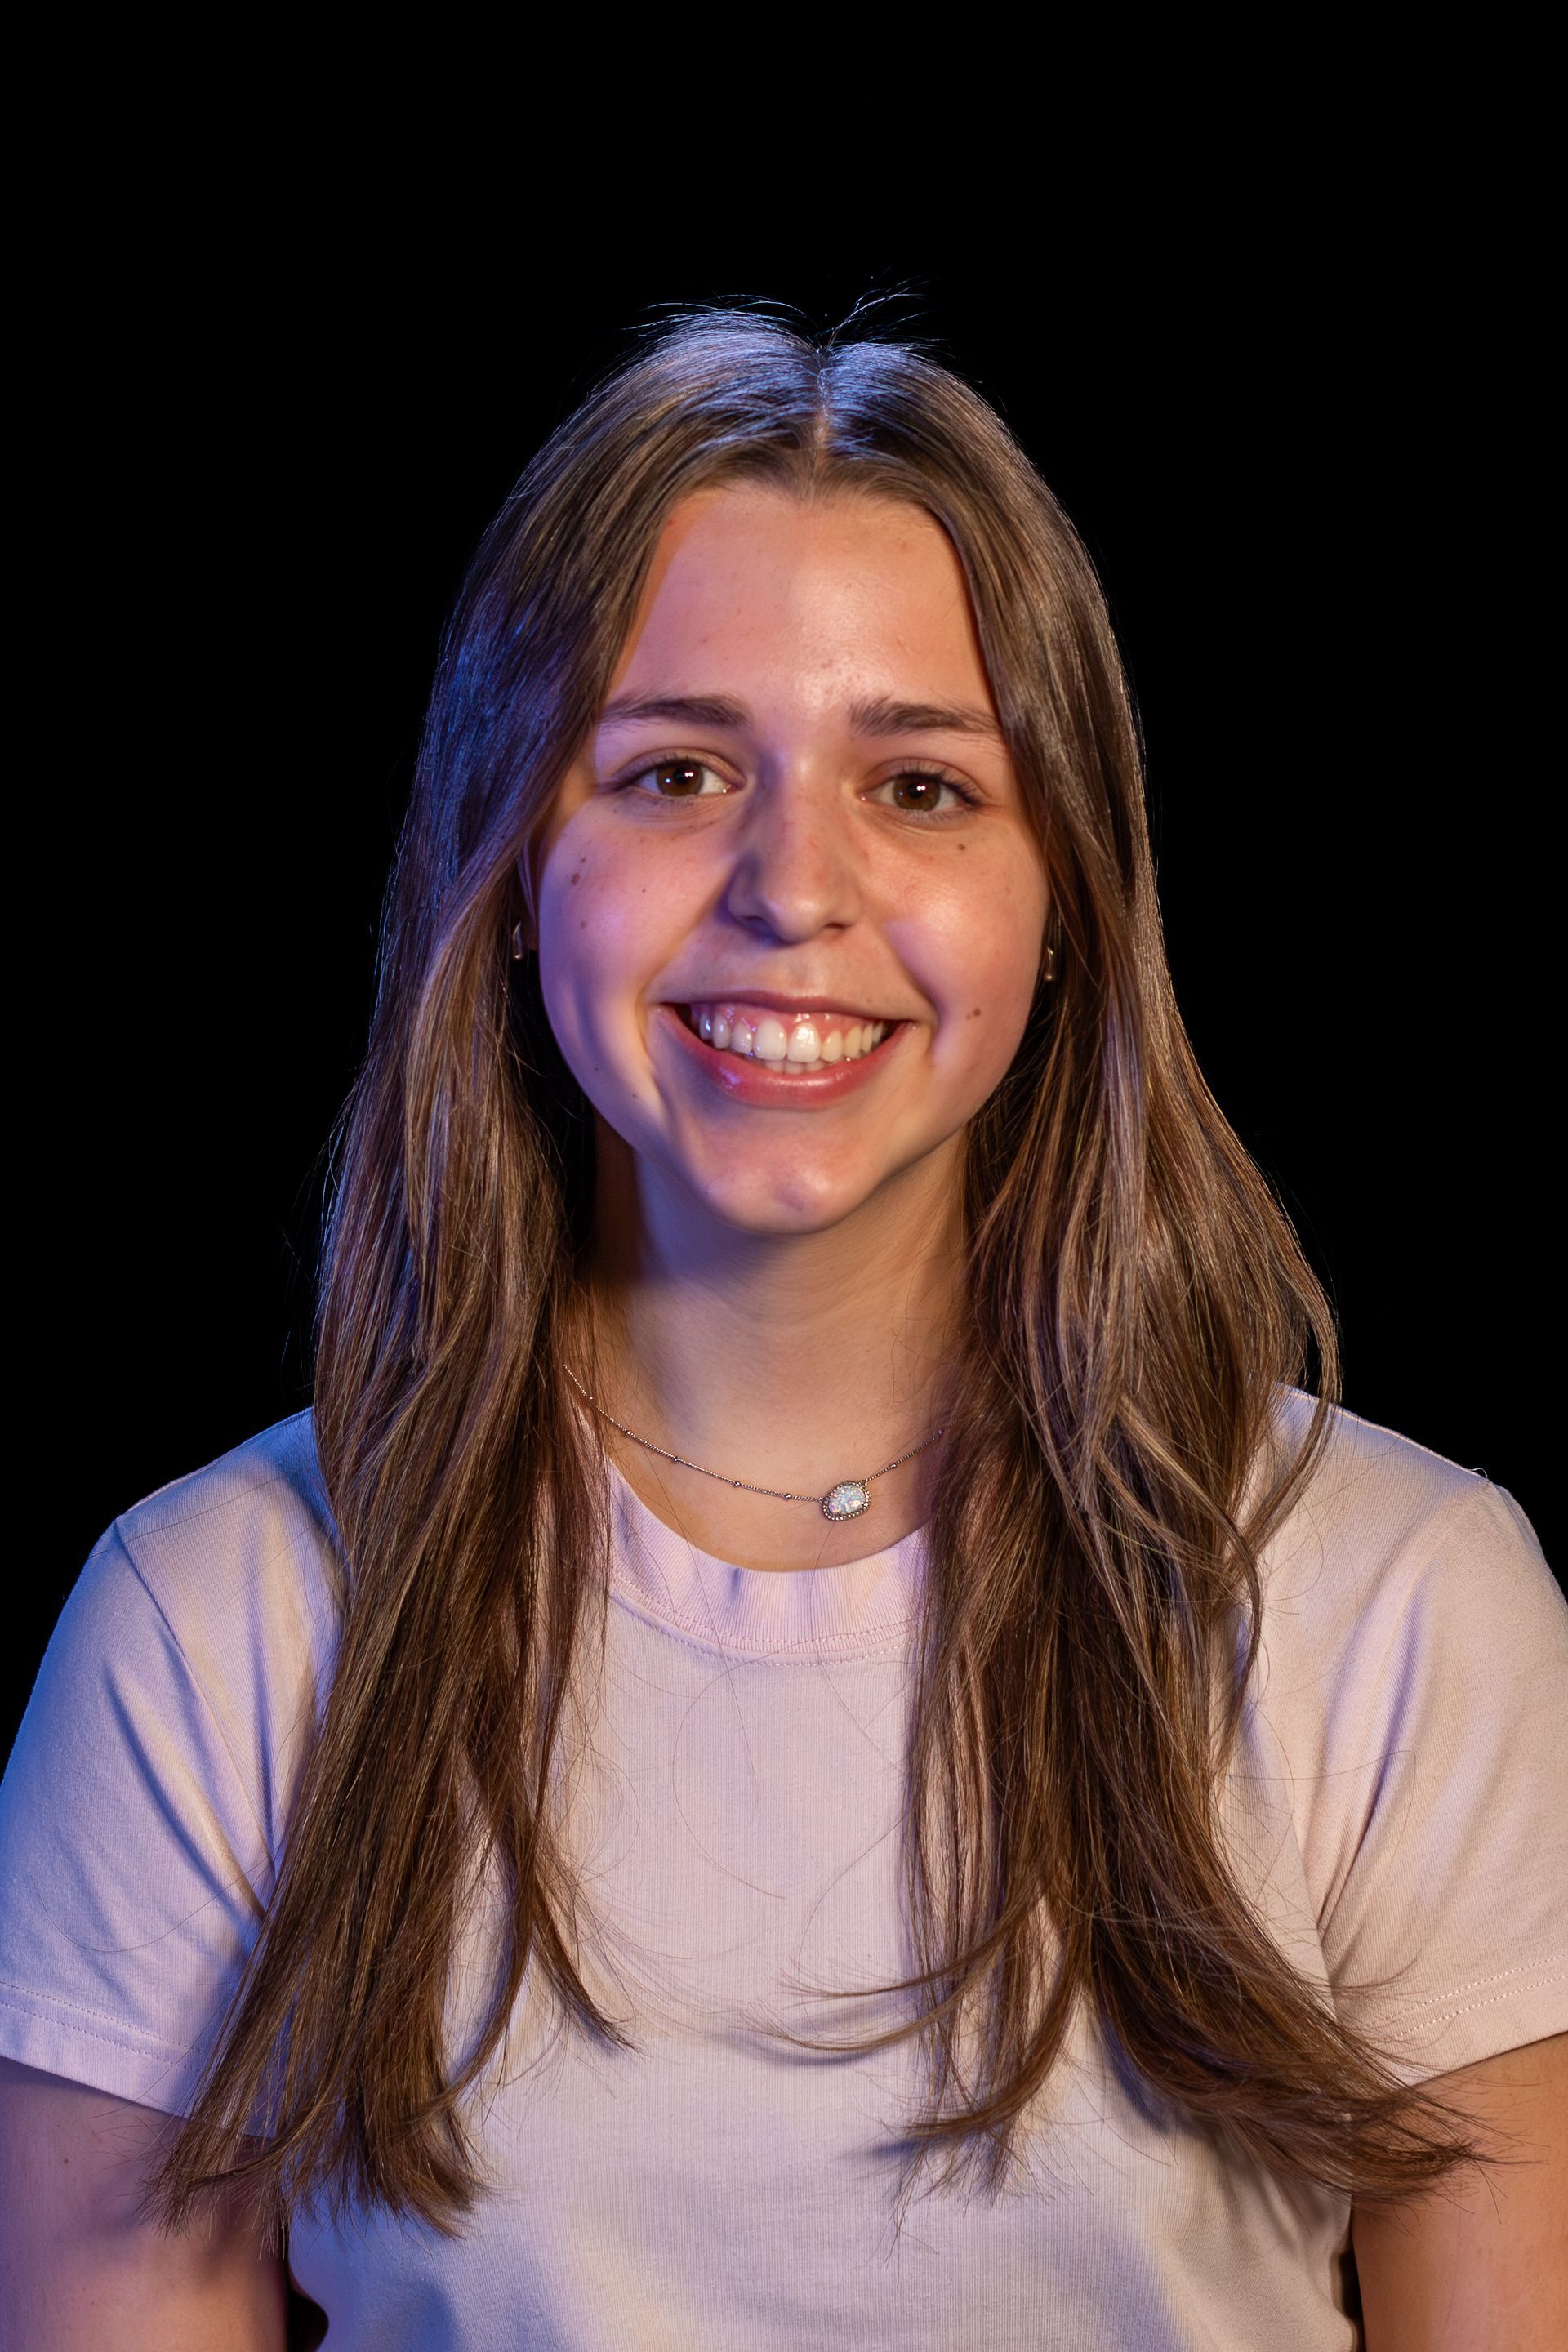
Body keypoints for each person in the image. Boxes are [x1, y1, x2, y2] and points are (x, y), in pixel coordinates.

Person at [1, 307, 1563, 2352]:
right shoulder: (213, 1627)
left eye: (921, 784)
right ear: (515, 863)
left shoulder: (1403, 1603)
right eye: (674, 771)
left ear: (1065, 898)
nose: (792, 888)